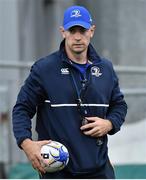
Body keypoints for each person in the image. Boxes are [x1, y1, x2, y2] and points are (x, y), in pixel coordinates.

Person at [12, 5, 127, 179]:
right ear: (63, 32)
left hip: (100, 170)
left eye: (82, 30)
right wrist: (26, 143)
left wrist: (109, 124)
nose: (78, 37)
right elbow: (21, 108)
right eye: (72, 31)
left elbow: (119, 105)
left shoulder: (106, 69)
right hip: (59, 172)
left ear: (92, 31)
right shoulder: (44, 69)